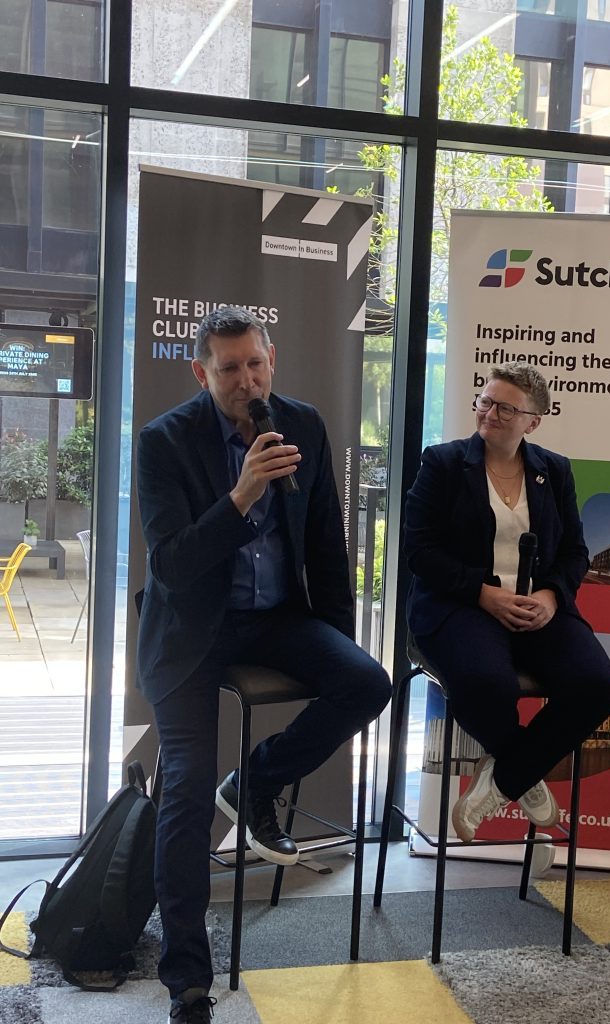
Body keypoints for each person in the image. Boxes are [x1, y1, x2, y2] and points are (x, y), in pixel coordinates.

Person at [135, 306, 391, 1023]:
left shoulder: (301, 423)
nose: (246, 381)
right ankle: (187, 979)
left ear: (271, 360)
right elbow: (171, 565)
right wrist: (241, 493)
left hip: (278, 618)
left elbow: (326, 543)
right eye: (229, 369)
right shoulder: (164, 441)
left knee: (367, 682)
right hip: (192, 630)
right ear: (201, 373)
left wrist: (337, 642)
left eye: (255, 364)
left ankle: (253, 783)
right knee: (187, 794)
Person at [404, 363, 610, 848]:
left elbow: (575, 552)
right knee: (485, 682)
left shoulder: (554, 470)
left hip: (535, 606)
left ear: (532, 422)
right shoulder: (442, 463)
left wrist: (551, 596)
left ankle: (501, 779)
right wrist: (483, 593)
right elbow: (419, 550)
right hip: (460, 605)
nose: (490, 413)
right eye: (485, 401)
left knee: (597, 687)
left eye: (505, 408)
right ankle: (523, 775)